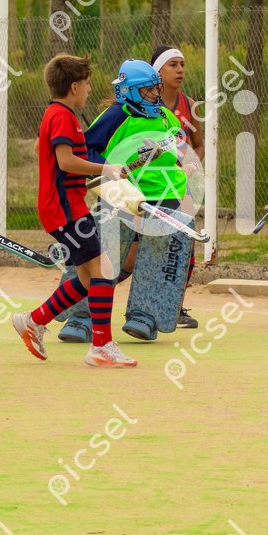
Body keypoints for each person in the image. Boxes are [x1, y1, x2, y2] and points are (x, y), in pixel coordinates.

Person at [12, 54, 137, 368]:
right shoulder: (63, 116)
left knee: (85, 277)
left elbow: (53, 158)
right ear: (73, 87)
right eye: (87, 83)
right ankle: (101, 346)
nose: (90, 89)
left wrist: (95, 175)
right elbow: (66, 161)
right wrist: (106, 169)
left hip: (66, 207)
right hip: (65, 209)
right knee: (104, 269)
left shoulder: (58, 114)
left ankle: (33, 321)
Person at [83, 58, 188, 341]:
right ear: (128, 90)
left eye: (155, 88)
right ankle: (83, 316)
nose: (155, 94)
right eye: (147, 90)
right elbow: (87, 150)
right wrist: (111, 171)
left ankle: (145, 316)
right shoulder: (115, 116)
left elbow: (178, 147)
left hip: (165, 194)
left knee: (156, 256)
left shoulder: (166, 116)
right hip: (123, 196)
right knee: (104, 255)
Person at [151, 45, 203, 329]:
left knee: (184, 244)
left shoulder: (189, 105)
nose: (180, 69)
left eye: (182, 64)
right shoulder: (147, 105)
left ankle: (175, 306)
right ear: (157, 71)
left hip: (180, 187)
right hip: (150, 186)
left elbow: (198, 146)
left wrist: (190, 165)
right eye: (173, 65)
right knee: (139, 251)